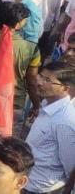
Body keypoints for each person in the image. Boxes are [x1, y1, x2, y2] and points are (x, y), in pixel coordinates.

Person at [23, 63, 75, 193]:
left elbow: (70, 166)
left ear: (65, 89)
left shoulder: (65, 121)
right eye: (40, 76)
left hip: (42, 188)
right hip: (27, 180)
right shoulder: (47, 102)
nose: (39, 82)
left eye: (47, 80)